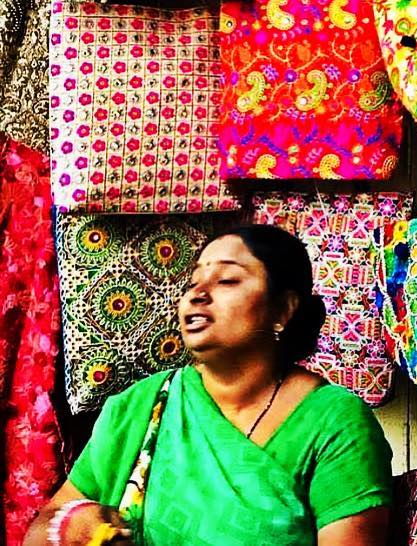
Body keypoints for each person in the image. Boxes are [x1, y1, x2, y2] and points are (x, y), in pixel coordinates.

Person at [24, 225, 393, 546]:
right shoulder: (141, 407)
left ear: (283, 309)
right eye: (192, 283)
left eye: (227, 280)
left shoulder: (333, 424)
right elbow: (43, 528)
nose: (197, 294)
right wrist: (73, 525)